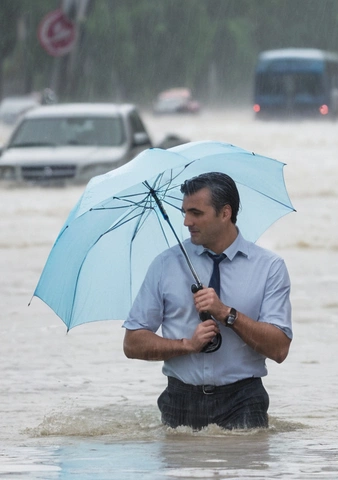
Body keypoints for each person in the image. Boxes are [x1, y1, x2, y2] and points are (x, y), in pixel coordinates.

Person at [123, 172, 293, 430]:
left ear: (225, 213)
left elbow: (279, 349)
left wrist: (226, 313)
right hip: (179, 400)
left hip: (244, 400)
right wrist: (186, 345)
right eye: (184, 212)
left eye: (196, 213)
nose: (186, 221)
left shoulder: (270, 267)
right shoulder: (165, 264)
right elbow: (132, 343)